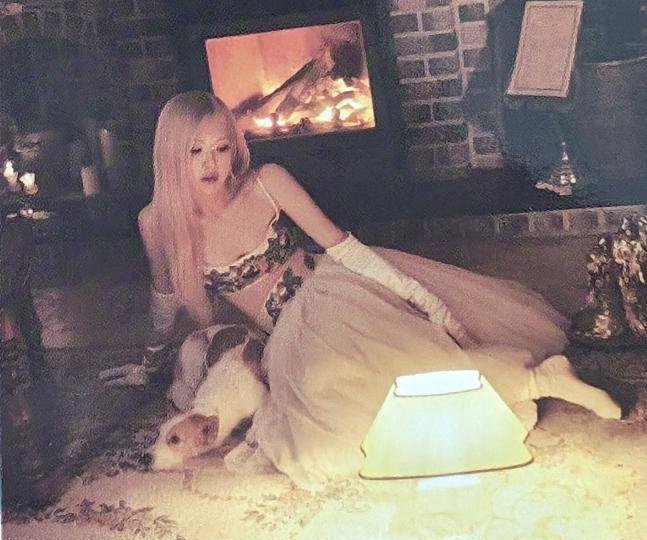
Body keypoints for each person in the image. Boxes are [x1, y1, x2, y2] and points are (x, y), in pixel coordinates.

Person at [101, 91, 620, 486]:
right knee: (338, 431)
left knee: (405, 367)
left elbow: (343, 247)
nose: (212, 164)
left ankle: (540, 379)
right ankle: (530, 380)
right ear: (171, 156)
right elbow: (164, 300)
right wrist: (149, 364)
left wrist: (425, 298)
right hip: (287, 337)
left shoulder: (267, 181)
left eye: (221, 147)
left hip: (334, 293)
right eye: (195, 152)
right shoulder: (157, 222)